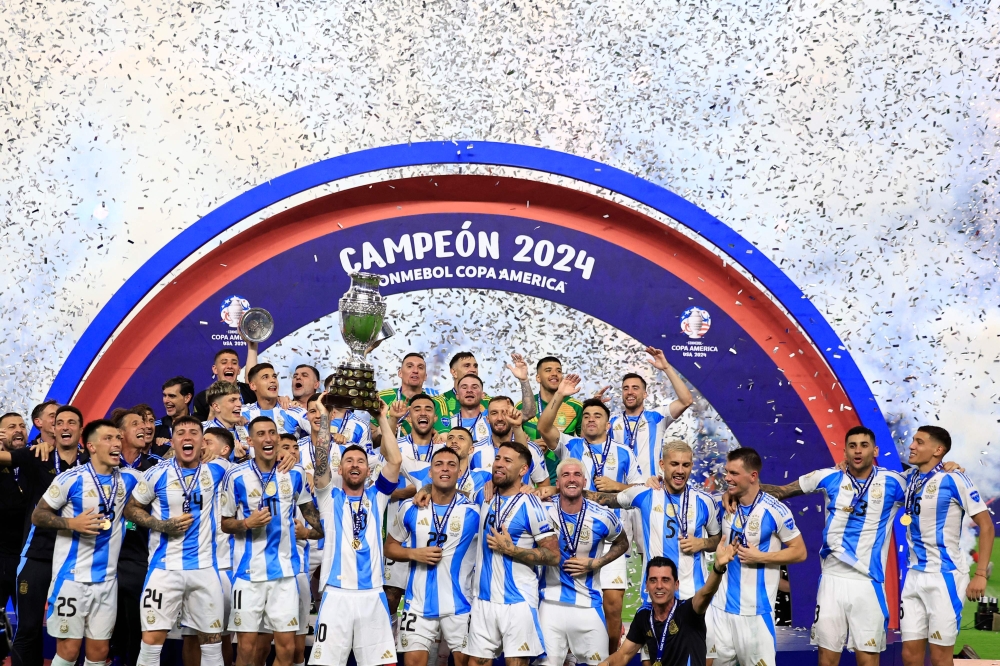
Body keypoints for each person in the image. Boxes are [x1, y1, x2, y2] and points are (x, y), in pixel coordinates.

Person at [736, 426, 907, 666]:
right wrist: (738, 490)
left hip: (868, 584)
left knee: (868, 660)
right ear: (845, 451)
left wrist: (949, 467)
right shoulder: (829, 477)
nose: (858, 451)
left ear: (875, 450)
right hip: (832, 580)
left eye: (864, 445)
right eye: (852, 446)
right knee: (826, 659)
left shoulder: (894, 482)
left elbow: (926, 485)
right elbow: (782, 491)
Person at [536, 378, 643, 653]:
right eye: (586, 416)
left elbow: (640, 491)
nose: (591, 420)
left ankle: (608, 658)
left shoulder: (624, 453)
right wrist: (560, 394)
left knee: (612, 608)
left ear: (609, 424)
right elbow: (543, 428)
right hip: (572, 539)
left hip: (610, 538)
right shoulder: (570, 445)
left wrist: (617, 487)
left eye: (597, 416)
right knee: (569, 604)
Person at [30, 419, 144, 666]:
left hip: (107, 581)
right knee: (69, 650)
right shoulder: (70, 479)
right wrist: (72, 524)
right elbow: (38, 515)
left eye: (118, 438)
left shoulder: (130, 479)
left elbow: (167, 472)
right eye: (109, 439)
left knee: (100, 651)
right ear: (91, 446)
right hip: (71, 579)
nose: (116, 443)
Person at [123, 416, 231, 666]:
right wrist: (161, 525)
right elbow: (131, 509)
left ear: (203, 441)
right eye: (180, 432)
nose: (187, 437)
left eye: (194, 432)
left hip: (205, 571)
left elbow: (257, 469)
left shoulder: (219, 470)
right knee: (150, 645)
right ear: (172, 440)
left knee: (212, 647)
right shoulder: (155, 474)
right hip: (164, 570)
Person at [307, 394, 403, 666]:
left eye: (360, 461)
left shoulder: (378, 496)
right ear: (341, 468)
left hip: (372, 594)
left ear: (367, 469)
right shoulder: (328, 497)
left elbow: (394, 462)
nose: (355, 465)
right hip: (336, 594)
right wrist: (325, 418)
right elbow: (321, 463)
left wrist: (383, 418)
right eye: (348, 461)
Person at [220, 416, 321, 666]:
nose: (267, 438)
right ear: (250, 440)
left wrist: (311, 532)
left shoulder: (295, 474)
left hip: (285, 575)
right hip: (247, 575)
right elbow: (225, 523)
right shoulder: (236, 476)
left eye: (272, 433)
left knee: (286, 649)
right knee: (246, 648)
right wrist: (246, 524)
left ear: (278, 437)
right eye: (261, 434)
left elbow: (316, 520)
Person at [898, 426, 993, 666]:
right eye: (913, 441)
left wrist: (980, 574)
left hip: (945, 578)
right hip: (914, 577)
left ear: (938, 450)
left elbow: (987, 525)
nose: (911, 446)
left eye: (919, 442)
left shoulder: (955, 479)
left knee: (941, 658)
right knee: (910, 656)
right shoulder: (910, 478)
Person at [587, 440, 721, 603]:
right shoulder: (644, 494)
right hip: (654, 597)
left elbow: (718, 540)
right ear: (662, 465)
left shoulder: (704, 501)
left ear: (692, 466)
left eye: (685, 465)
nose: (680, 470)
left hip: (694, 595)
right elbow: (605, 499)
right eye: (674, 464)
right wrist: (559, 490)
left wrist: (702, 543)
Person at [707, 448, 807, 666]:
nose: (727, 478)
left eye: (733, 473)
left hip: (756, 614)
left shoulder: (775, 510)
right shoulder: (725, 503)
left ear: (752, 476)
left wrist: (760, 556)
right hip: (721, 610)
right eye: (726, 472)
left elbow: (800, 552)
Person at [464, 441, 560, 666]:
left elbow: (554, 555)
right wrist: (429, 489)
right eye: (498, 458)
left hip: (517, 601)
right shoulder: (484, 496)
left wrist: (512, 550)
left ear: (524, 470)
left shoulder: (532, 505)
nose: (499, 464)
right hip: (483, 600)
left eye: (508, 461)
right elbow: (449, 492)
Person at [386, 446, 481, 666]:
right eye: (438, 464)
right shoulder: (411, 507)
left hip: (460, 604)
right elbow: (389, 547)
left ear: (459, 472)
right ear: (430, 472)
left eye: (451, 465)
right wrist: (414, 553)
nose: (445, 469)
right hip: (417, 604)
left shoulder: (474, 511)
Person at [5, 405, 85, 666]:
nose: (64, 427)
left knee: (75, 632)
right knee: (27, 628)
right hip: (38, 555)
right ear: (51, 428)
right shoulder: (35, 457)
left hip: (76, 559)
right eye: (59, 422)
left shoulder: (90, 463)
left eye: (71, 422)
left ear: (80, 429)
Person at [537, 458, 629, 666]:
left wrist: (598, 563)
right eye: (566, 475)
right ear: (557, 483)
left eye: (577, 475)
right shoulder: (541, 511)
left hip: (588, 606)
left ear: (584, 481)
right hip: (550, 604)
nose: (572, 479)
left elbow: (622, 543)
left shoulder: (603, 515)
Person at [598, 546, 736, 666]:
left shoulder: (688, 611)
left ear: (676, 585)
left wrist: (718, 568)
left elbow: (706, 593)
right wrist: (607, 663)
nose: (659, 586)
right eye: (653, 580)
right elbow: (624, 655)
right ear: (646, 585)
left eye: (665, 580)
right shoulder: (644, 615)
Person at [109, 407, 163, 666]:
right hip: (103, 557)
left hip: (139, 555)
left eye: (145, 423)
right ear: (120, 434)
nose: (143, 427)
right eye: (135, 424)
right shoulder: (103, 465)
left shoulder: (156, 466)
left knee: (135, 625)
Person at [604, 346, 694, 478]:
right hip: (619, 490)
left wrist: (666, 368)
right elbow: (588, 439)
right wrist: (594, 407)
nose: (630, 392)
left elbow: (686, 400)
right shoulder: (611, 421)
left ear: (645, 394)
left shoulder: (657, 417)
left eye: (635, 388)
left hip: (650, 489)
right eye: (626, 388)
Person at [438, 352, 536, 430]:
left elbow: (528, 414)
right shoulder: (438, 403)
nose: (473, 369)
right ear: (453, 372)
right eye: (467, 366)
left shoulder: (490, 402)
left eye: (475, 366)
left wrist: (524, 380)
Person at [470, 396, 549, 489]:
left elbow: (544, 487)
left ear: (513, 415)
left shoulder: (532, 449)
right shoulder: (474, 451)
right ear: (487, 419)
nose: (499, 418)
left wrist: (533, 492)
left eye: (505, 413)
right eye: (494, 413)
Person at [0, 414, 28, 637]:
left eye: (22, 425)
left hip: (28, 556)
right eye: (11, 427)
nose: (18, 430)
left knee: (29, 622)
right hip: (1, 555)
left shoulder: (37, 459)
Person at [518, 355, 584, 441]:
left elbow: (586, 442)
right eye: (548, 370)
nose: (554, 374)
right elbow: (513, 443)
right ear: (538, 378)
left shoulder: (576, 406)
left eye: (559, 371)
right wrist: (532, 448)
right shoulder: (523, 406)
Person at [377, 353, 444, 436]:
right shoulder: (383, 397)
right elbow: (369, 438)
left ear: (425, 376)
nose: (415, 371)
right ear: (400, 373)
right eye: (409, 366)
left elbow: (443, 437)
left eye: (420, 367)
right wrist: (384, 429)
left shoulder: (437, 402)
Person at [192, 347, 259, 422]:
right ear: (215, 369)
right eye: (224, 362)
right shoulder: (202, 398)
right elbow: (200, 430)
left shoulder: (251, 392)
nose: (230, 366)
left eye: (234, 363)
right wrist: (212, 414)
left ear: (239, 370)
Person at [242, 363, 306, 436]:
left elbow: (318, 434)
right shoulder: (242, 413)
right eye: (265, 377)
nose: (273, 380)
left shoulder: (293, 410)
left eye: (274, 376)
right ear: (253, 386)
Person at [202, 381, 250, 458]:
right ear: (217, 407)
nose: (239, 404)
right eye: (232, 400)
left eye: (239, 399)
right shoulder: (202, 431)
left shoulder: (248, 427)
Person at [154, 376, 195, 445]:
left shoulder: (201, 426)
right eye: (164, 395)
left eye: (172, 396)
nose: (166, 400)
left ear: (187, 398)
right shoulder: (155, 428)